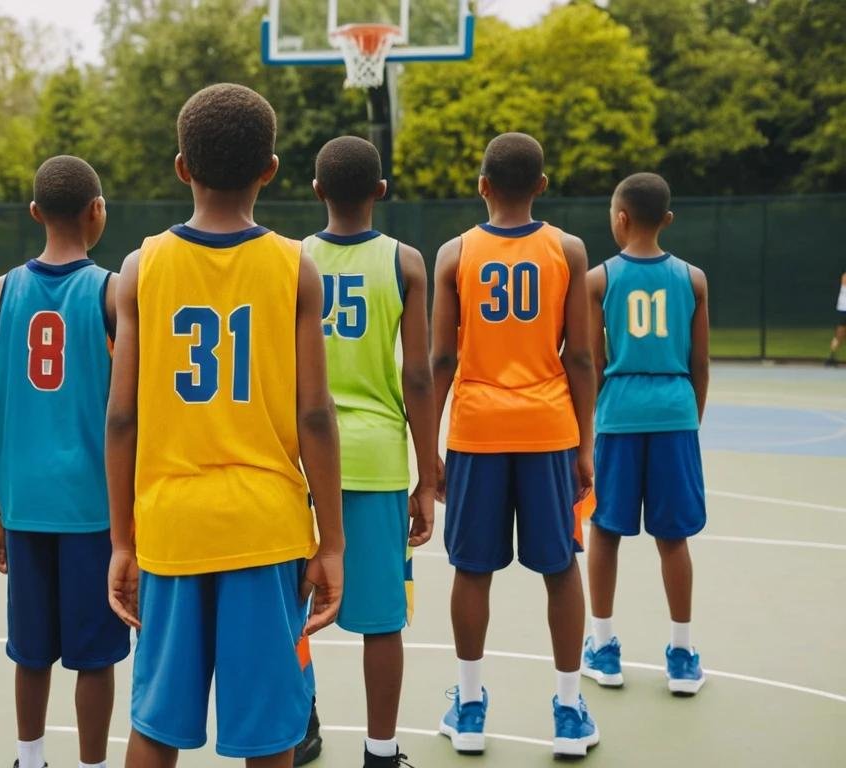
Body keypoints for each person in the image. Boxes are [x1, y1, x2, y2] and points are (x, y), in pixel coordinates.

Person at [105, 83, 345, 768]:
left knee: (155, 726)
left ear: (181, 166)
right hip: (265, 526)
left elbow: (122, 416)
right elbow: (315, 416)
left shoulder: (139, 267)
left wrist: (123, 538)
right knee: (270, 733)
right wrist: (332, 540)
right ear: (270, 170)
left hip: (172, 524)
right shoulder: (296, 265)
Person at [429, 132, 599, 758]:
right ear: (542, 187)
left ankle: (469, 706)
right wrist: (585, 444)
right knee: (560, 567)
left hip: (476, 428)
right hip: (550, 428)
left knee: (472, 570)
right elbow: (579, 355)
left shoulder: (454, 254)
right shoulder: (570, 250)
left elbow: (440, 358)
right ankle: (569, 709)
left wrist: (428, 451)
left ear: (482, 186)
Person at [0, 155, 129, 768]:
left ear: (35, 213)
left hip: (22, 500)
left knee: (30, 648)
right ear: (98, 211)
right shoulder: (112, 289)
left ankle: (29, 756)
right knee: (94, 656)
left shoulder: (2, 289)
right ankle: (93, 763)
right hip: (90, 504)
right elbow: (127, 410)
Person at [300, 136, 437, 768]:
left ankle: (296, 729)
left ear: (317, 190)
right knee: (382, 620)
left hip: (301, 459)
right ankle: (380, 753)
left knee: (289, 606)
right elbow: (418, 376)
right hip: (377, 460)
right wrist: (428, 472)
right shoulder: (405, 263)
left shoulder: (291, 258)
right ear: (381, 191)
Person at [582, 172, 710, 695]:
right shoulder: (693, 278)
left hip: (619, 413)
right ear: (668, 219)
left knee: (605, 531)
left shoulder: (599, 279)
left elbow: (590, 362)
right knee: (672, 536)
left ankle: (604, 647)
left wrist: (587, 431)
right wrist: (688, 417)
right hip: (675, 411)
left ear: (620, 218)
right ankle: (681, 654)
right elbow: (699, 364)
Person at [828, 271, 846, 367]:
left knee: (839, 336)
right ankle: (831, 357)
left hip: (841, 310)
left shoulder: (844, 275)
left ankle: (831, 357)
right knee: (839, 336)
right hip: (843, 310)